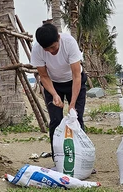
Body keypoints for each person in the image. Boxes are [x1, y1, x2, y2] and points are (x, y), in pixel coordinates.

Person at [30, 23, 87, 158]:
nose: (50, 51)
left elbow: (76, 75)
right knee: (55, 120)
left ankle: (81, 157)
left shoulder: (69, 43)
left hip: (74, 81)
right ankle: (58, 158)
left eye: (53, 47)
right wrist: (54, 94)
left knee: (77, 118)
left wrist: (72, 104)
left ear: (58, 38)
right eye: (47, 49)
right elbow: (43, 76)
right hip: (53, 84)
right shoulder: (37, 49)